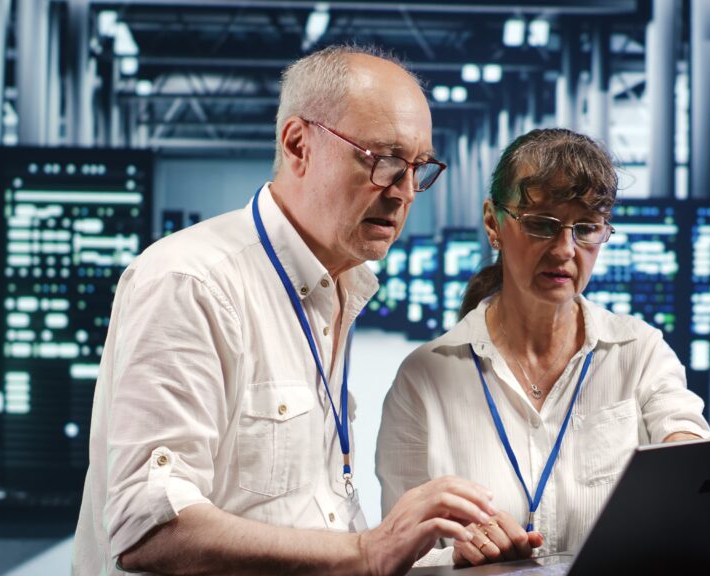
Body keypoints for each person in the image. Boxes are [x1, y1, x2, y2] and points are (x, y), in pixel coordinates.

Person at [73, 45, 499, 576]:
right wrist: (367, 552)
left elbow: (311, 518)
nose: (406, 192)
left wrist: (433, 554)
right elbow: (147, 528)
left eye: (418, 167)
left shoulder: (339, 286)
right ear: (298, 145)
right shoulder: (191, 282)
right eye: (385, 161)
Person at [376, 128, 710, 567]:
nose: (564, 250)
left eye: (587, 229)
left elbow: (686, 432)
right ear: (493, 223)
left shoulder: (638, 351)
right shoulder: (425, 378)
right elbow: (400, 555)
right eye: (541, 225)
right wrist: (457, 559)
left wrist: (685, 456)